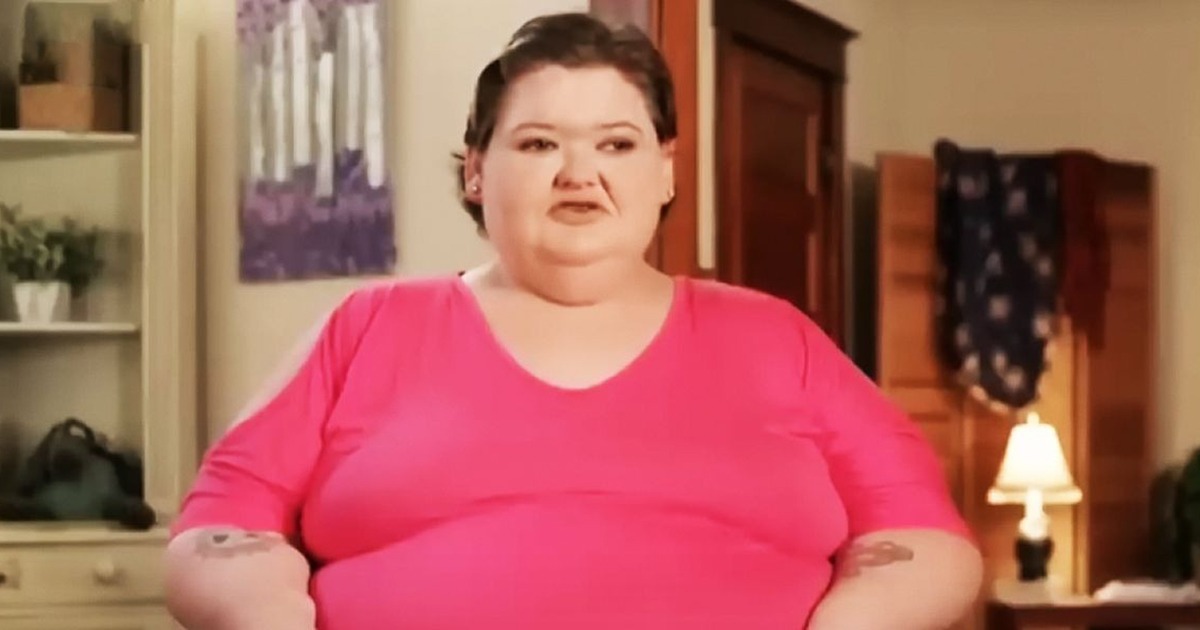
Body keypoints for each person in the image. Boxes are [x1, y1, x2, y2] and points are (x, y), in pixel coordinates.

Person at [165, 12, 982, 630]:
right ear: (477, 171)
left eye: (617, 145)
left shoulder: (776, 338)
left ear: (665, 171)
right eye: (538, 145)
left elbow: (924, 539)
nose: (579, 174)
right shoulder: (367, 327)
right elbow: (221, 526)